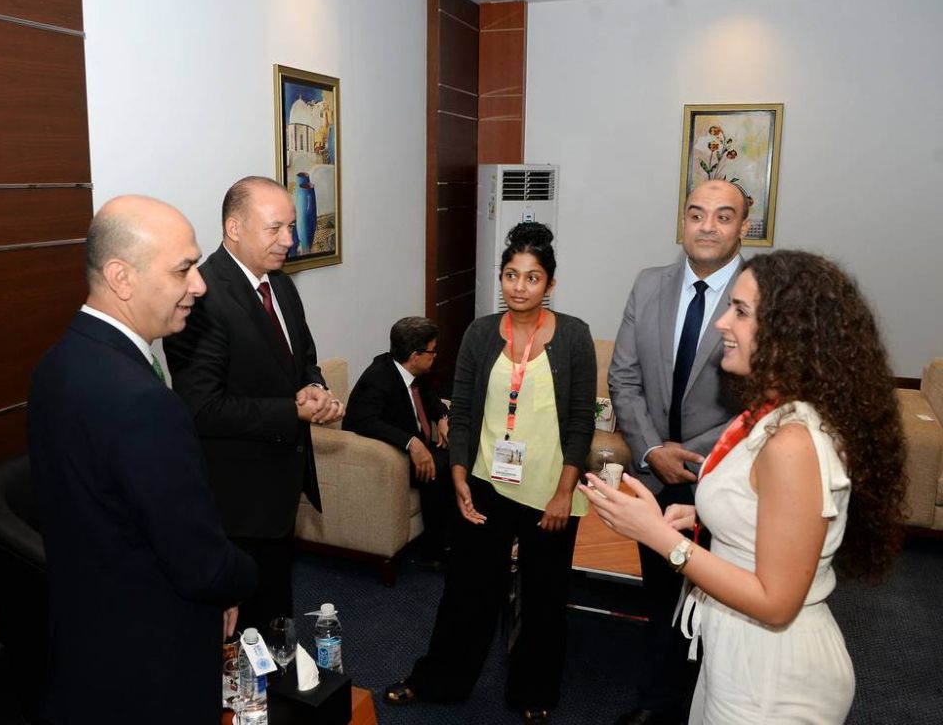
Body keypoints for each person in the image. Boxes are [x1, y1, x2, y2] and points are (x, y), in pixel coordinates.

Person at [583, 250, 907, 723]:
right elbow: (768, 506)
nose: (721, 323)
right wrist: (702, 514)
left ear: (786, 332)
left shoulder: (792, 442)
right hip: (737, 653)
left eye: (739, 311)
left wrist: (657, 536)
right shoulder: (772, 415)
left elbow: (775, 604)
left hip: (771, 676)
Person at [28, 196, 257, 725]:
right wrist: (246, 573)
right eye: (183, 269)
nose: (199, 285)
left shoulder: (58, 362)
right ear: (121, 277)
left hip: (87, 641)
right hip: (152, 663)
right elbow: (202, 567)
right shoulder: (141, 400)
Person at [384, 223, 596, 724]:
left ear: (550, 283)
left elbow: (580, 421)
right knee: (467, 591)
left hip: (550, 490)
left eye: (532, 277)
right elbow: (461, 413)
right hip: (486, 482)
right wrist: (458, 473)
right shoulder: (480, 333)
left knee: (543, 596)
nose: (519, 287)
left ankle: (534, 692)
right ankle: (440, 680)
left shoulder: (574, 335)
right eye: (510, 275)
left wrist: (564, 492)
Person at [164, 176, 344, 631]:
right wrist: (291, 411)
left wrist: (315, 387)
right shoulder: (202, 296)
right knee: (241, 628)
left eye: (291, 226)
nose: (290, 240)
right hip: (235, 502)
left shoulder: (279, 284)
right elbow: (200, 408)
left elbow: (303, 358)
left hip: (280, 491)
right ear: (234, 228)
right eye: (275, 228)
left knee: (276, 613)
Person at [608, 179, 747, 724]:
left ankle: (712, 704)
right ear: (682, 221)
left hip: (726, 477)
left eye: (723, 216)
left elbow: (763, 400)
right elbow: (624, 378)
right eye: (696, 214)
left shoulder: (761, 295)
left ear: (743, 226)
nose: (707, 226)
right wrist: (650, 451)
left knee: (727, 605)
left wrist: (686, 454)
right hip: (655, 479)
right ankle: (659, 704)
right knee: (663, 600)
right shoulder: (649, 284)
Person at [342, 316, 453, 564]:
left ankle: (457, 536)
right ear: (415, 356)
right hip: (392, 456)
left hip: (421, 444)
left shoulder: (415, 371)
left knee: (460, 456)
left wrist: (442, 417)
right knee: (439, 469)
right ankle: (434, 552)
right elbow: (361, 420)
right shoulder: (377, 378)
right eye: (432, 351)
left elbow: (431, 397)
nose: (435, 356)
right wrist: (411, 442)